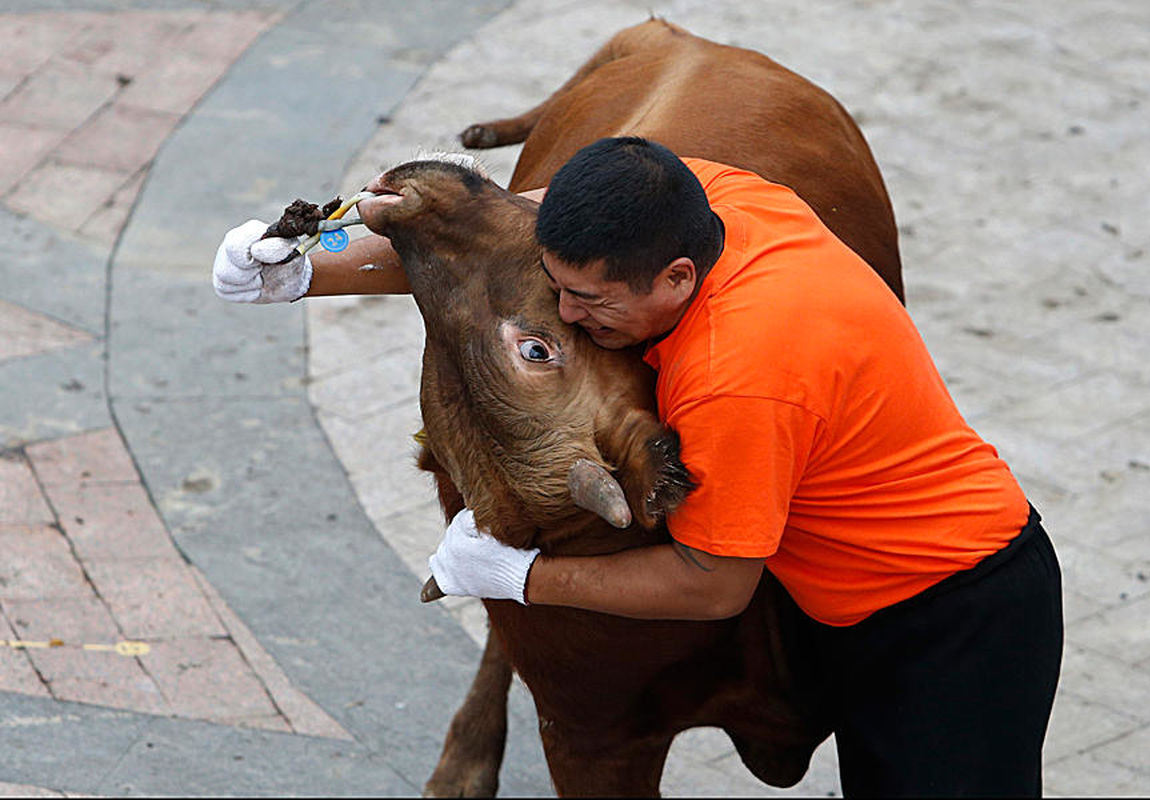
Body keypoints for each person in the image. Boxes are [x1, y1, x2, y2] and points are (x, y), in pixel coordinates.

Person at [213, 138, 1062, 797]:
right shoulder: (716, 199)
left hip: (951, 618)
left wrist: (521, 576)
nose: (572, 317)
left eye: (590, 304)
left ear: (677, 275)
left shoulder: (740, 377)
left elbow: (713, 584)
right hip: (862, 597)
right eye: (560, 291)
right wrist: (304, 277)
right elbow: (504, 245)